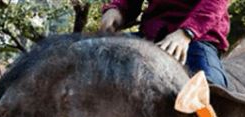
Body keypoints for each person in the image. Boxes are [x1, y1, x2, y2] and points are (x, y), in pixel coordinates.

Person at [99, 0, 231, 88]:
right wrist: (116, 10)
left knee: (212, 94)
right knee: (89, 56)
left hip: (198, 39)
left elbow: (215, 3)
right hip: (151, 34)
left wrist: (186, 33)